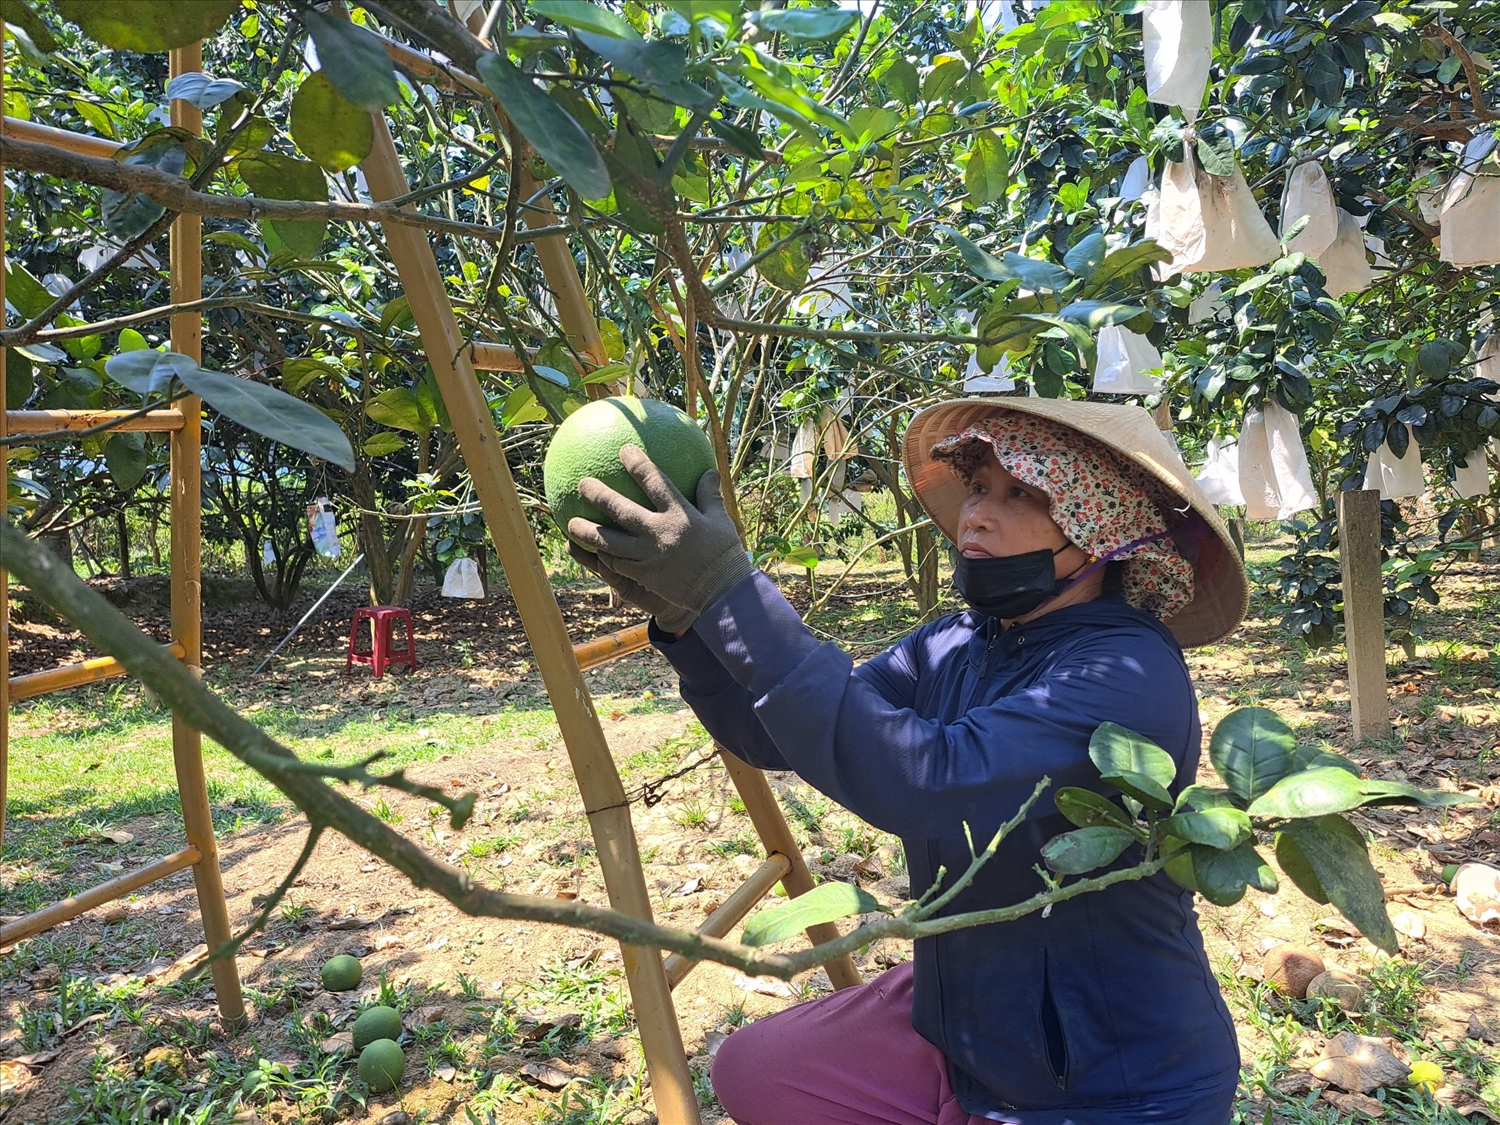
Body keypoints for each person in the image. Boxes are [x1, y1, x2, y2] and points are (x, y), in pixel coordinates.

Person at [566, 397, 1251, 1125]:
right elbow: (783, 734)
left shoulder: (1126, 674)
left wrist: (729, 589)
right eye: (980, 487)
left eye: (1020, 493)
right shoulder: (961, 641)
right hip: (975, 1018)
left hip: (1109, 1082)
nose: (976, 516)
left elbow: (927, 779)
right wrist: (691, 621)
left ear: (1100, 527)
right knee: (757, 1071)